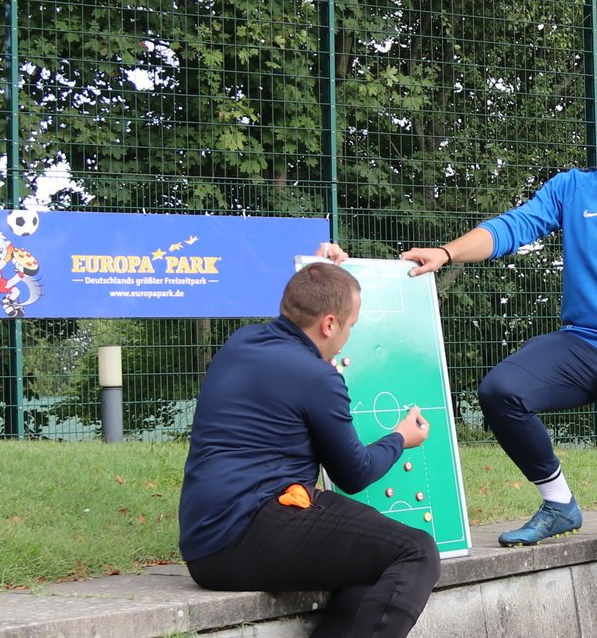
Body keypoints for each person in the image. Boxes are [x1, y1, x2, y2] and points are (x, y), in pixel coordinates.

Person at [393, 94, 597, 637]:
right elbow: (512, 227)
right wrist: (445, 253)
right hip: (582, 346)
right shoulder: (574, 188)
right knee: (501, 390)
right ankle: (559, 502)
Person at [178, 261, 438, 638]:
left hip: (204, 539)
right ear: (329, 324)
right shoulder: (317, 377)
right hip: (245, 532)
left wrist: (320, 272)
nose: (348, 335)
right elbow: (355, 473)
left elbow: (309, 300)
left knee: (374, 555)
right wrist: (400, 438)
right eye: (350, 326)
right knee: (415, 550)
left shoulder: (241, 341)